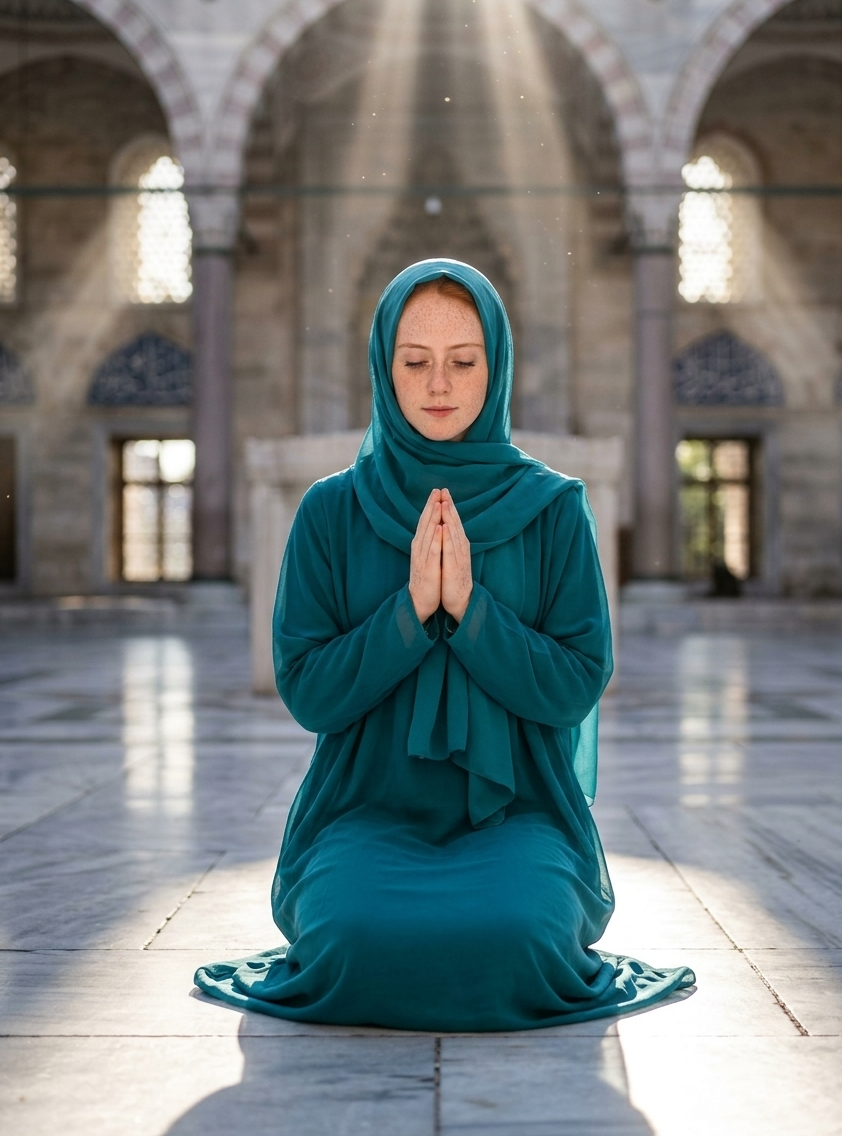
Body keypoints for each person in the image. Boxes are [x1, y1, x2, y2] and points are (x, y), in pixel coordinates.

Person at [195, 259, 695, 1031]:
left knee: (518, 940)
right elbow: (308, 690)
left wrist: (469, 611)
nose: (439, 385)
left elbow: (575, 682)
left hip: (520, 815)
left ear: (495, 367)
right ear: (382, 366)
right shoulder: (332, 512)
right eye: (415, 361)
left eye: (463, 362)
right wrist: (409, 615)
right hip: (362, 811)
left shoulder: (553, 510)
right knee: (350, 941)